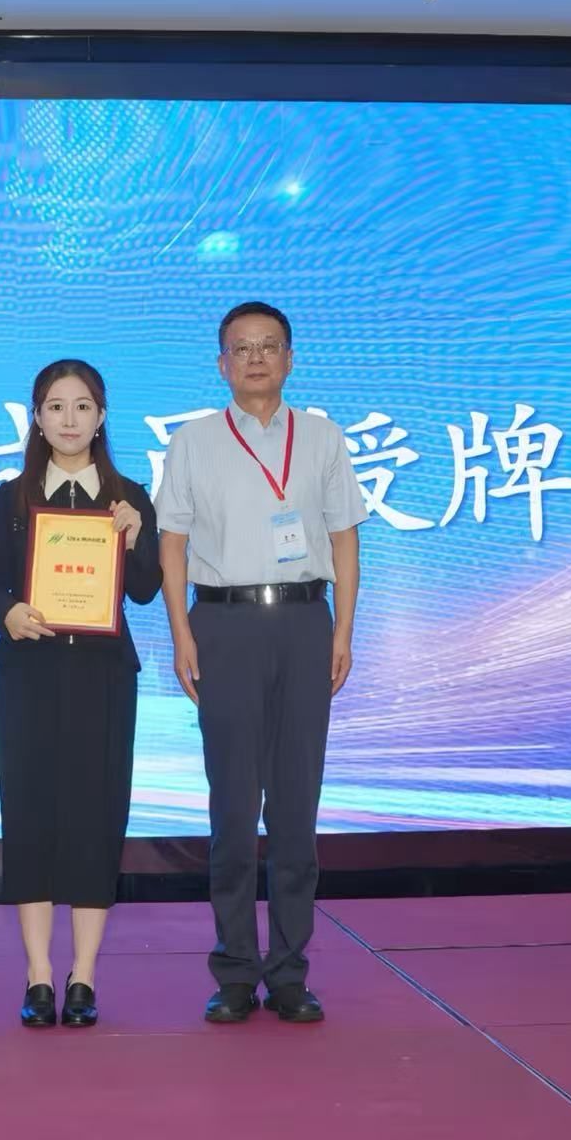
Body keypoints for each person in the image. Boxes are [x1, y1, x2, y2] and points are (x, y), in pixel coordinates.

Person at [153, 302, 366, 1025]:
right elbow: (172, 544)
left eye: (268, 346)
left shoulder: (323, 437)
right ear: (221, 364)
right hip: (224, 624)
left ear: (289, 358)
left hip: (305, 622)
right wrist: (182, 634)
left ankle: (290, 972)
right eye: (240, 348)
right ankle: (236, 971)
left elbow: (344, 538)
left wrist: (343, 629)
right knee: (234, 808)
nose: (255, 358)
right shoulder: (194, 441)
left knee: (297, 806)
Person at [0, 360, 162, 1028]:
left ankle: (82, 976)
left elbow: (145, 589)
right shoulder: (11, 498)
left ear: (101, 417)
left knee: (95, 815)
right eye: (56, 406)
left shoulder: (129, 496)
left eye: (83, 406)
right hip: (30, 674)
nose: (70, 419)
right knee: (29, 816)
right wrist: (9, 613)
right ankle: (38, 976)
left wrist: (135, 536)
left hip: (103, 676)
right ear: (37, 417)